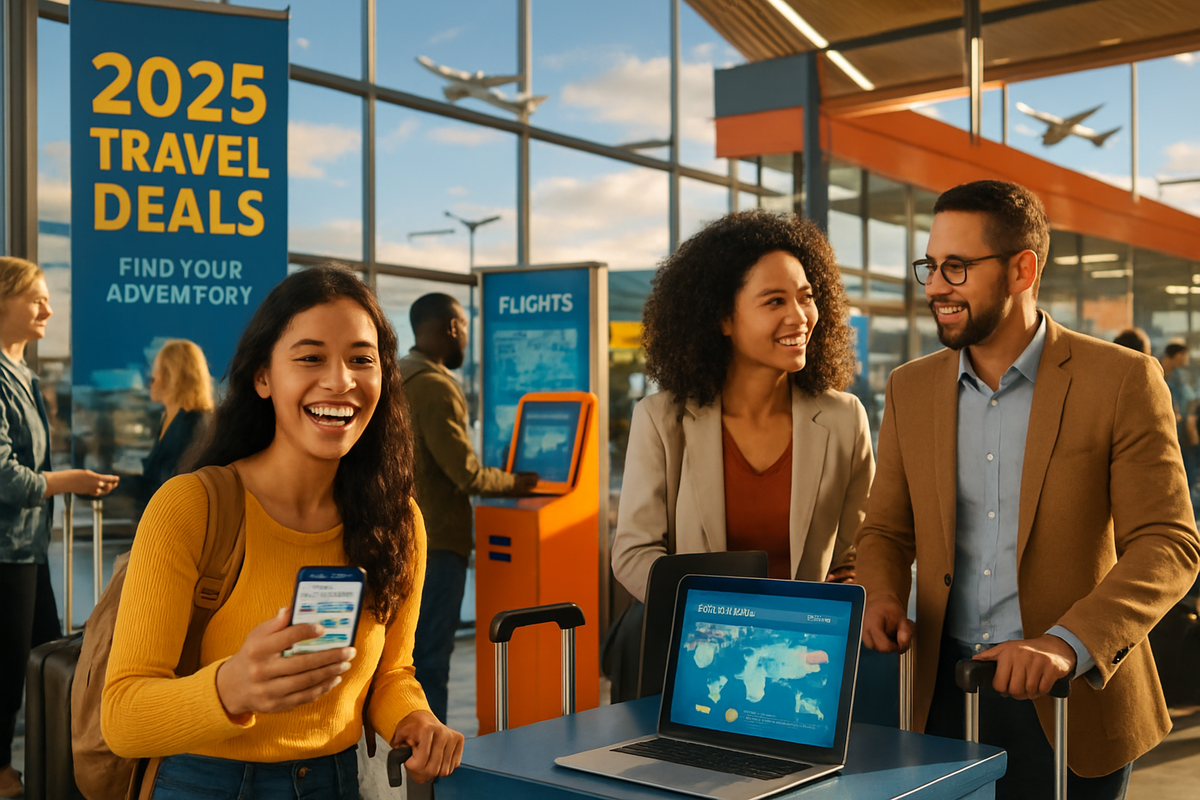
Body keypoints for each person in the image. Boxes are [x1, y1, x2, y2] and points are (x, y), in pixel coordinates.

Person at [854, 180, 1200, 800]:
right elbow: (885, 529)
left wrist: (1068, 644)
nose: (935, 287)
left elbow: (1168, 544)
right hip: (940, 696)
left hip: (1073, 699)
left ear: (1022, 269)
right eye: (930, 267)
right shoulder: (911, 389)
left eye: (956, 267)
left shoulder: (1121, 380)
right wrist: (880, 592)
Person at [102, 265, 463, 798]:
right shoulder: (192, 507)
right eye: (310, 357)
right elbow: (123, 717)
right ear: (263, 376)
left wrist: (415, 718)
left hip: (338, 782)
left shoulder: (398, 520)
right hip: (204, 783)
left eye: (362, 359)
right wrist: (231, 688)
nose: (340, 380)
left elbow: (392, 674)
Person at [611, 209, 875, 603]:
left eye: (806, 297)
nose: (799, 317)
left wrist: (852, 585)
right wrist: (717, 615)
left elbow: (859, 548)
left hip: (806, 647)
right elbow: (634, 554)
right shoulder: (663, 419)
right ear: (722, 318)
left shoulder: (844, 418)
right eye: (774, 301)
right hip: (700, 645)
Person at [0, 257, 118, 799]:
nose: (48, 308)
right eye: (35, 298)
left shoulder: (22, 372)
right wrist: (68, 479)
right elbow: (5, 475)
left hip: (26, 545)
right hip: (6, 549)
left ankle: (53, 760)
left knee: (48, 651)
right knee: (9, 664)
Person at [399, 293, 537, 724]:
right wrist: (518, 481)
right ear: (453, 327)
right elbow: (467, 474)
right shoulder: (435, 387)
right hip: (438, 543)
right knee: (431, 659)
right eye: (464, 327)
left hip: (403, 535)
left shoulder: (397, 376)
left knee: (407, 655)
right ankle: (431, 765)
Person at [129, 339, 214, 517]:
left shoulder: (194, 424)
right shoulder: (168, 419)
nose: (149, 383)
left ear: (172, 378)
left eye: (154, 377)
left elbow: (170, 486)